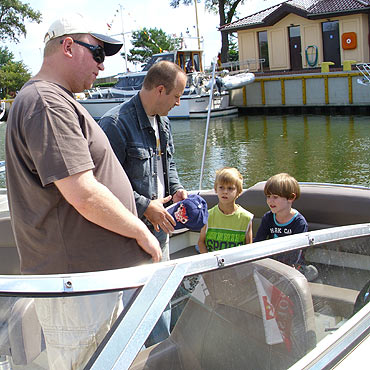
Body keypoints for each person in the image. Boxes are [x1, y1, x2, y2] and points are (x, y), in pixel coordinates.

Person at [5, 13, 161, 370]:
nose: (102, 65)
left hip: (88, 282)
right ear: (69, 46)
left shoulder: (53, 99)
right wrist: (141, 232)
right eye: (98, 53)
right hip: (77, 287)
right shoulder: (47, 102)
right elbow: (83, 193)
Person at [99, 60, 188, 345]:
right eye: (176, 96)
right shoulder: (114, 124)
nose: (178, 103)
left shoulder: (163, 121)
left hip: (160, 230)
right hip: (131, 237)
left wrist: (177, 189)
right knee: (139, 311)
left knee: (163, 301)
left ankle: (162, 356)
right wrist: (145, 205)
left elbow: (168, 163)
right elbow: (105, 186)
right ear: (160, 90)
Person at [254, 173, 310, 267]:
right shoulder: (268, 218)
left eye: (275, 197)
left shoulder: (299, 223)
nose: (270, 201)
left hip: (293, 266)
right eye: (268, 196)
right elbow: (259, 241)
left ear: (291, 198)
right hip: (271, 262)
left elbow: (296, 254)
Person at [198, 167, 253, 253]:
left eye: (230, 188)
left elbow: (248, 247)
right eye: (221, 187)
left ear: (239, 192)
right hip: (212, 261)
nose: (225, 192)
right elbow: (201, 243)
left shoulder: (246, 218)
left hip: (236, 263)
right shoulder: (208, 215)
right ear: (215, 189)